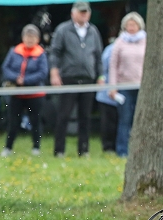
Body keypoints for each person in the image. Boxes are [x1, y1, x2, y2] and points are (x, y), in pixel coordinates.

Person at [49, 1, 104, 157]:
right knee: (64, 115)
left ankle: (84, 149)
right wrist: (54, 73)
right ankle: (59, 150)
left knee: (85, 116)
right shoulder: (63, 30)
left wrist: (100, 76)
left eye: (86, 12)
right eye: (81, 12)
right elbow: (55, 53)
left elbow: (98, 56)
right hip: (68, 78)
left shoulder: (93, 31)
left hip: (88, 79)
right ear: (73, 13)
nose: (84, 14)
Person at [0, 24, 48, 157]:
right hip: (17, 94)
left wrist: (25, 80)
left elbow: (42, 73)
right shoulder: (14, 51)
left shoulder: (41, 54)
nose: (30, 39)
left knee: (35, 121)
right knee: (13, 122)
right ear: (22, 37)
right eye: (27, 36)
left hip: (35, 94)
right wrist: (16, 78)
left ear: (38, 39)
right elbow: (5, 68)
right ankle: (8, 148)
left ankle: (36, 147)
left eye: (33, 37)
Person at [107, 12, 145, 157]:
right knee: (125, 119)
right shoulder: (119, 42)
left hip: (141, 87)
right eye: (128, 25)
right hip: (124, 87)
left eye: (133, 25)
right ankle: (122, 150)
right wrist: (112, 86)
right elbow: (113, 65)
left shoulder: (146, 41)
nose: (131, 27)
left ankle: (139, 150)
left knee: (140, 119)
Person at [95, 39, 119, 153]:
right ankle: (108, 146)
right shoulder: (110, 50)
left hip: (124, 90)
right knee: (108, 121)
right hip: (107, 92)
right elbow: (102, 67)